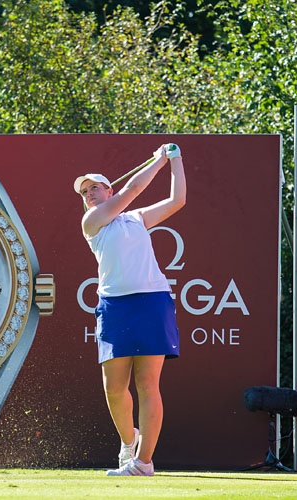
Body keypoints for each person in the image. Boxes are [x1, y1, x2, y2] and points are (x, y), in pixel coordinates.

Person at [74, 144, 186, 476]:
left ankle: (143, 462)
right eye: (84, 191)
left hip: (152, 301)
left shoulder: (136, 218)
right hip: (114, 306)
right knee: (113, 386)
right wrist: (158, 159)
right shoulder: (91, 221)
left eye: (95, 187)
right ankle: (128, 442)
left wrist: (175, 160)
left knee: (148, 384)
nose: (89, 194)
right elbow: (133, 189)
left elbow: (177, 200)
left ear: (108, 189)